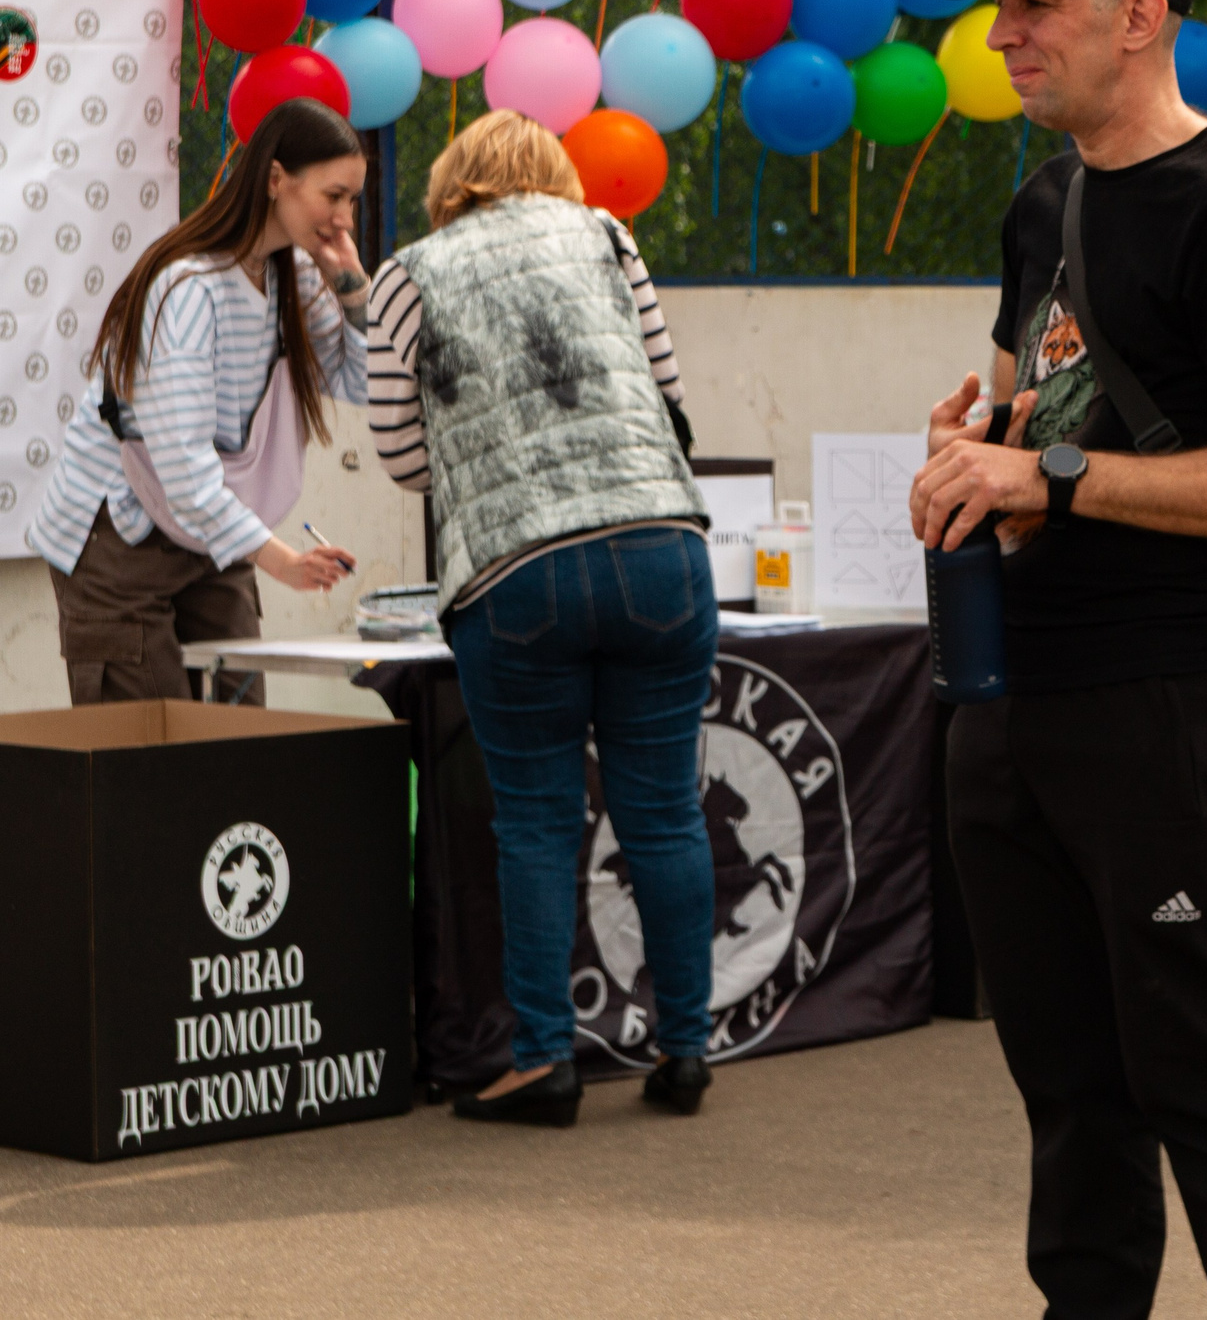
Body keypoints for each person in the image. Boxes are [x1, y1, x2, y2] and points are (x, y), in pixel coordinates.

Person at [909, 0, 1207, 1319]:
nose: (1008, 33)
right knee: (1070, 1092)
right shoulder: (1046, 200)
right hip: (1010, 698)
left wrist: (1056, 476)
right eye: (999, 7)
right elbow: (1030, 415)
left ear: (1142, 16)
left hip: (1170, 704)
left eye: (1038, 4)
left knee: (1206, 1076)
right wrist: (973, 454)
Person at [367, 110, 717, 1128]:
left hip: (519, 572)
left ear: (452, 182)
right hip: (662, 547)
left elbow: (399, 455)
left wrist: (483, 472)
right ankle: (686, 1049)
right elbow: (669, 397)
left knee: (534, 821)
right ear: (553, 175)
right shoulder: (610, 236)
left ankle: (543, 1063)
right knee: (664, 813)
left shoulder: (407, 272)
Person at [32, 97, 368, 703]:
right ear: (274, 180)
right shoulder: (187, 287)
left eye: (354, 200)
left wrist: (353, 295)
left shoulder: (291, 273)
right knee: (150, 754)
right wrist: (281, 560)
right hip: (121, 534)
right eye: (333, 195)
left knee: (240, 724)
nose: (344, 218)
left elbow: (358, 385)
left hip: (206, 532)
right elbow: (182, 468)